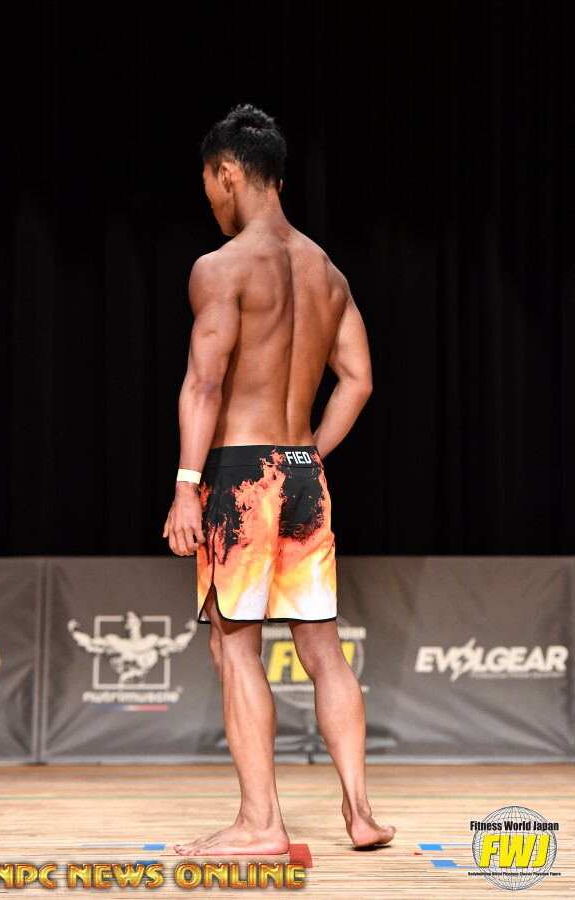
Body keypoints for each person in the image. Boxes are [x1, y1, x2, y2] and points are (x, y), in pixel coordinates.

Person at [162, 103, 396, 856]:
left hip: (239, 476)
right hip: (301, 474)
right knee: (324, 650)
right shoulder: (327, 273)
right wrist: (310, 454)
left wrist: (186, 485)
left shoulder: (221, 268)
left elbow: (203, 384)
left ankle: (261, 824)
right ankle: (360, 812)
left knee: (235, 647)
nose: (209, 198)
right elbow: (358, 380)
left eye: (208, 183)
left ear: (228, 172)